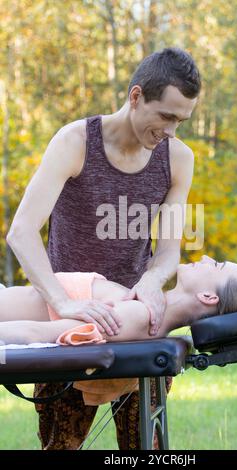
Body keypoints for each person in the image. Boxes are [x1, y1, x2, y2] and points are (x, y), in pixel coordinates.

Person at [5, 47, 201, 450]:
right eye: (166, 116)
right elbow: (21, 232)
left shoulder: (179, 159)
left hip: (135, 327)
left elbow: (168, 250)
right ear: (135, 96)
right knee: (61, 448)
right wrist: (64, 301)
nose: (172, 131)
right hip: (70, 324)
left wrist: (151, 281)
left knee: (147, 450)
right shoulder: (75, 142)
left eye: (181, 120)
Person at [0, 255, 237, 346]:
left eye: (216, 265)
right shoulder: (147, 309)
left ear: (208, 297)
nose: (206, 258)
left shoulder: (137, 316)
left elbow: (37, 334)